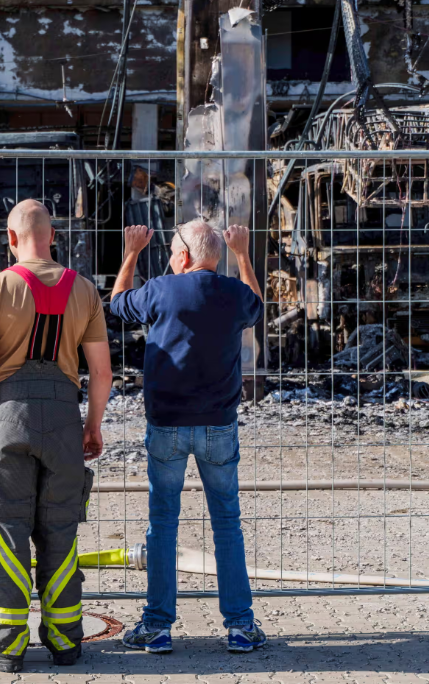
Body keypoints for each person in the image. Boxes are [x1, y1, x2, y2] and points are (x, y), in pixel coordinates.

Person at [0, 199, 112, 672]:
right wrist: (92, 426)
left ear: (10, 238)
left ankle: (3, 647)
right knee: (61, 532)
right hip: (65, 420)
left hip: (6, 419)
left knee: (7, 533)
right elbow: (102, 372)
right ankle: (66, 641)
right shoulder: (84, 290)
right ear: (53, 236)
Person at [108, 220, 267, 654]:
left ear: (182, 256)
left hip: (167, 425)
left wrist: (132, 251)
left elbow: (117, 303)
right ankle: (240, 625)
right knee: (227, 524)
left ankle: (157, 625)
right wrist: (243, 254)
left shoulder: (160, 289)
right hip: (219, 423)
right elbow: (257, 304)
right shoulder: (233, 294)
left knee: (163, 525)